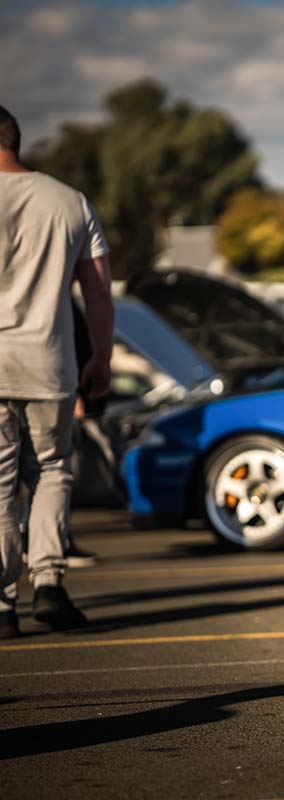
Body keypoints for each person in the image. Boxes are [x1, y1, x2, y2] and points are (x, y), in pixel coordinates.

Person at [0, 104, 113, 638]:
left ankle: (2, 606)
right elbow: (99, 292)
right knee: (51, 469)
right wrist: (101, 358)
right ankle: (48, 583)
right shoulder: (70, 201)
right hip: (50, 362)